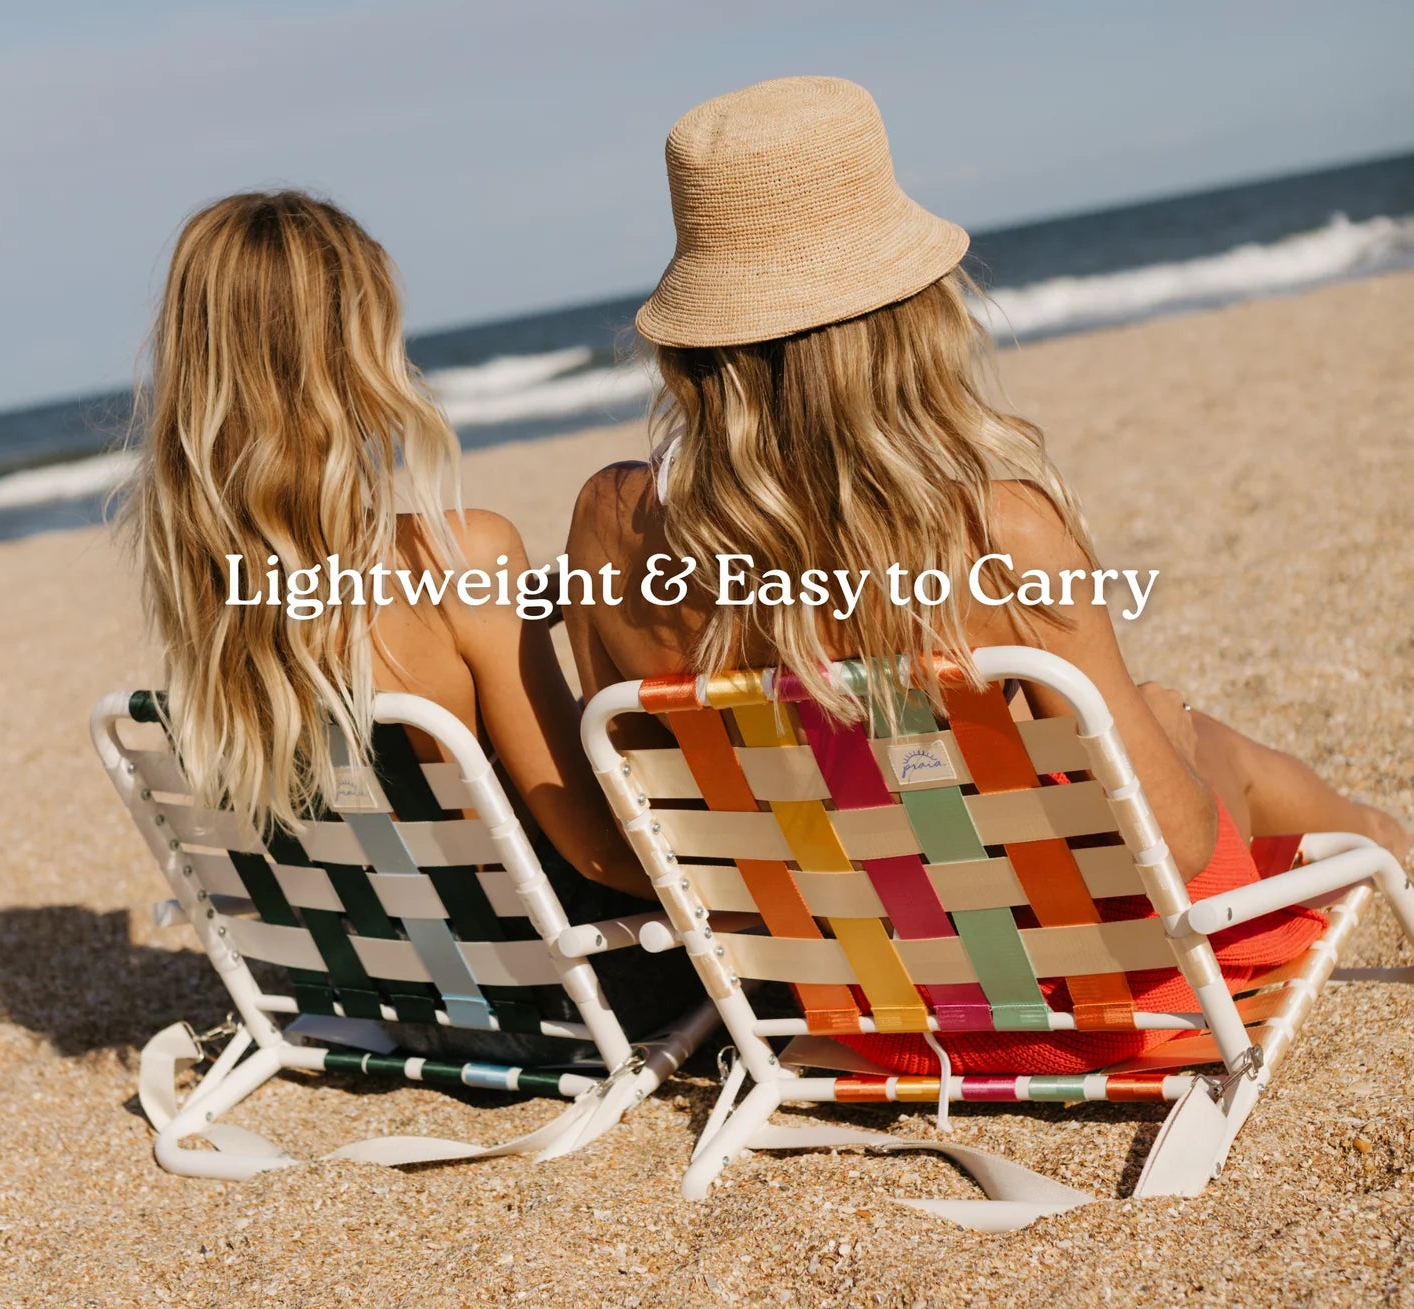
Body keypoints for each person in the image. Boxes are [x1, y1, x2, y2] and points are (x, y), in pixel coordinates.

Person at [563, 76, 1408, 1075]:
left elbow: (651, 827)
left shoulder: (609, 522)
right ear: (907, 312)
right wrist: (1167, 732)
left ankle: (1371, 834)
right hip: (1074, 999)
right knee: (1183, 730)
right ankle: (1385, 846)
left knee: (1144, 729)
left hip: (856, 1001)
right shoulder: (992, 527)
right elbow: (1173, 850)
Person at [123, 190, 689, 1058]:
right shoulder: (460, 555)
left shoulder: (211, 601)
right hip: (560, 994)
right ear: (353, 359)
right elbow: (598, 856)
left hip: (382, 986)